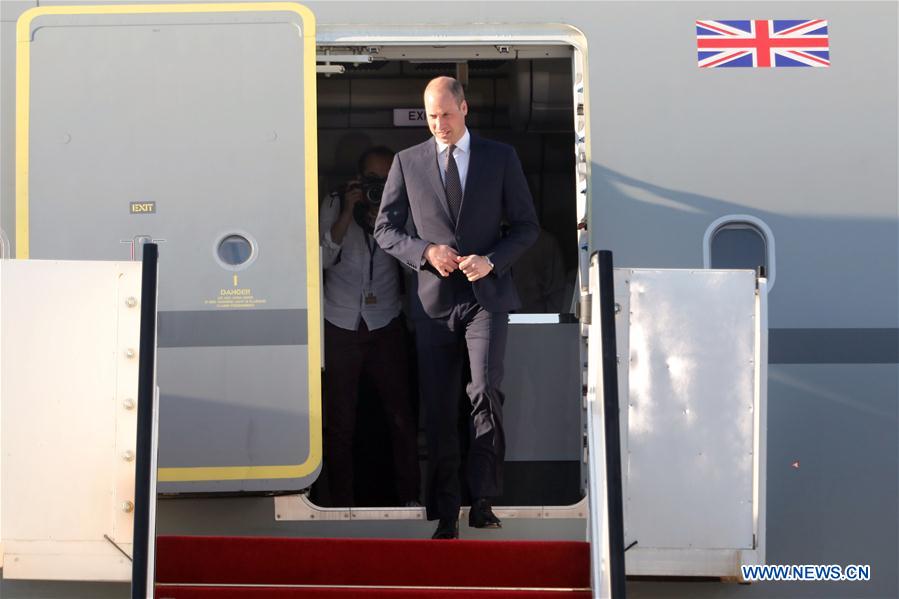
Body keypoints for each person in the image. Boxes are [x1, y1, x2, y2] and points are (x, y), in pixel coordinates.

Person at [374, 77, 539, 539]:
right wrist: (426, 251)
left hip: (486, 298)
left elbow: (527, 227)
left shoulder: (499, 158)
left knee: (485, 390)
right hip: (434, 303)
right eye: (431, 117)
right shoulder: (408, 162)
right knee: (441, 405)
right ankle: (447, 510)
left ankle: (482, 497)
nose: (439, 125)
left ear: (464, 109)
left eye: (446, 115)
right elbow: (385, 230)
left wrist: (492, 261)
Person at [319, 146, 420, 508]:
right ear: (358, 179)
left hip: (386, 322)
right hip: (340, 320)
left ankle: (410, 499)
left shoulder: (404, 206)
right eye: (373, 180)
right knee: (340, 422)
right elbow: (322, 260)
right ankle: (338, 502)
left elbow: (415, 266)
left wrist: (387, 223)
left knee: (401, 417)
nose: (379, 185)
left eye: (387, 178)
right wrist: (348, 211)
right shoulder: (336, 202)